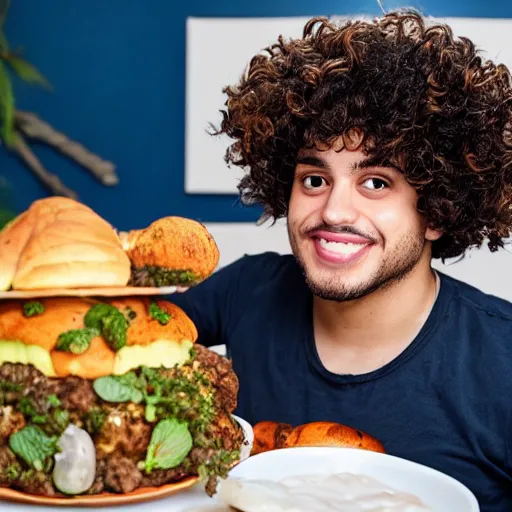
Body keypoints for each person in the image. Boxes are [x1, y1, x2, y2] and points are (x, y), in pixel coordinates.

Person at [172, 10, 512, 510]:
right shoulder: (248, 290)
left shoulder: (501, 361)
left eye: (376, 182)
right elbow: (119, 335)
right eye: (315, 179)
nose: (333, 210)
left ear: (437, 211)